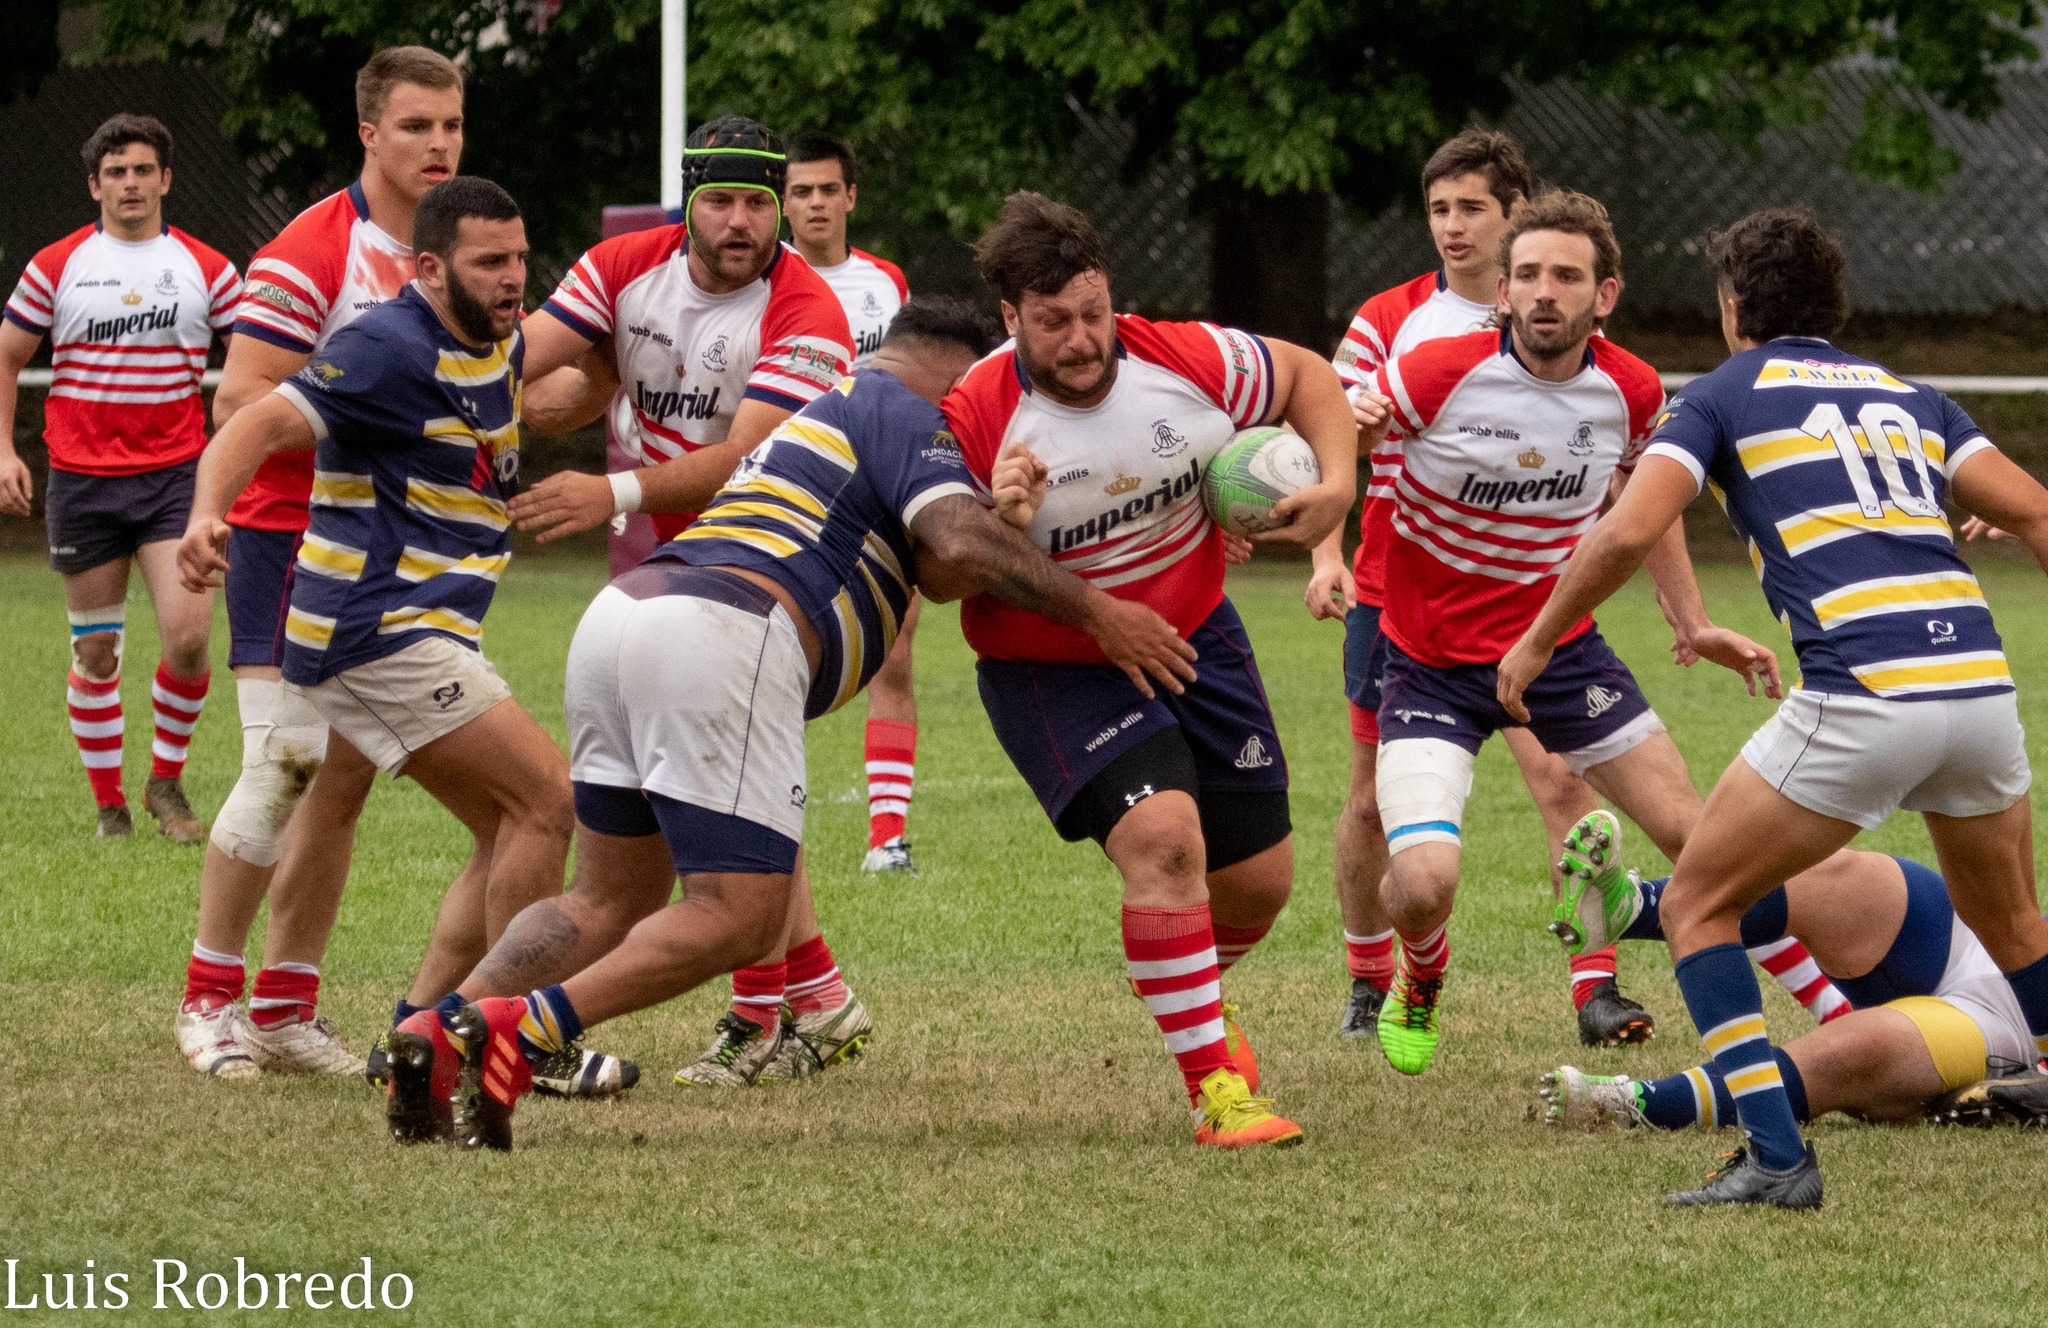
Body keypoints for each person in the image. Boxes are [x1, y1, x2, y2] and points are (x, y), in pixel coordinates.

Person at [379, 298, 1196, 1150]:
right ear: (956, 376)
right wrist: (1098, 611)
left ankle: (441, 1030)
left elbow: (940, 565)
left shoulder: (835, 412)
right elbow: (956, 542)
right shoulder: (906, 407)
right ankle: (525, 1028)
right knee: (739, 916)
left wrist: (1011, 515)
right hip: (724, 633)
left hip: (625, 617)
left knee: (606, 896)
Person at [1499, 204, 2048, 1208]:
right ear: (1832, 305)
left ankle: (1775, 1158)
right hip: (1976, 685)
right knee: (2010, 921)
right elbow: (2033, 508)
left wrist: (1535, 639)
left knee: (1704, 900)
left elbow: (1626, 532)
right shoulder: (1910, 396)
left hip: (1863, 691)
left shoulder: (1721, 393)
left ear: (1731, 308)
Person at [176, 175, 613, 1097]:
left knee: (500, 826)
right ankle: (510, 1040)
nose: (510, 279)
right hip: (377, 631)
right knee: (546, 803)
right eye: (488, 262)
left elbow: (544, 391)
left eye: (519, 259)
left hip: (424, 626)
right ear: (428, 267)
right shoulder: (385, 347)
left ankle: (417, 1036)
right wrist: (206, 515)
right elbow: (251, 421)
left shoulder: (496, 337)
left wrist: (617, 370)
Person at [946, 192, 1357, 1148]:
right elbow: (934, 577)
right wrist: (997, 524)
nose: (1084, 340)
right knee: (1168, 845)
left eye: (1094, 313)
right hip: (1054, 668)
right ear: (1011, 320)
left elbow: (1306, 378)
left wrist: (1334, 485)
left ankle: (1186, 995)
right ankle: (1218, 1088)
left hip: (1195, 637)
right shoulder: (977, 415)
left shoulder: (1182, 357)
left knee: (1257, 883)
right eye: (1054, 324)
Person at [1361, 189, 1798, 1080]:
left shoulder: (1632, 391)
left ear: (1606, 295)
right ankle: (1423, 965)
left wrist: (1693, 620)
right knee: (1422, 885)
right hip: (1429, 663)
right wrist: (1322, 497)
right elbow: (1350, 438)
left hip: (1561, 654)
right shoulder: (1436, 371)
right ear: (1504, 293)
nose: (1543, 292)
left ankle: (1793, 1021)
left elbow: (1647, 509)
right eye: (1526, 275)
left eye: (1566, 275)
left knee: (1704, 840)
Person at [510, 116, 873, 1087]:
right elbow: (524, 363)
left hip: (767, 573)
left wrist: (609, 489)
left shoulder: (806, 309)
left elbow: (743, 462)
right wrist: (482, 392)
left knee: (716, 797)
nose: (743, 220)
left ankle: (764, 1011)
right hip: (661, 585)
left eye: (760, 200)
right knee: (718, 791)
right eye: (721, 199)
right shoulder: (625, 264)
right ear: (687, 204)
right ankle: (812, 996)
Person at [171, 46, 487, 1082]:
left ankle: (283, 1006)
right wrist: (376, 418)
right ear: (368, 132)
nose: (437, 143)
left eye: (449, 124)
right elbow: (241, 398)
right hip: (286, 537)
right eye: (413, 126)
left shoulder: (464, 247)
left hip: (393, 551)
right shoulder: (314, 247)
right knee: (285, 760)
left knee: (341, 782)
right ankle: (207, 998)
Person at [0, 114, 238, 843]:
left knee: (190, 638)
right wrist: (4, 451)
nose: (129, 183)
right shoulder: (55, 265)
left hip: (175, 482)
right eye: (115, 172)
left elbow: (260, 355)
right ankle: (111, 809)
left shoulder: (208, 268)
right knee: (96, 652)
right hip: (83, 483)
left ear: (165, 179)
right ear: (94, 184)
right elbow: (7, 357)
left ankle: (166, 781)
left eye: (142, 170)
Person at [1538, 842, 2046, 1131]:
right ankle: (1632, 907)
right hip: (1993, 935)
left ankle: (1637, 1102)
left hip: (2010, 1024)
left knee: (1854, 1050)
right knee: (1844, 878)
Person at [785, 130, 924, 875]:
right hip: (788, 486)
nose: (813, 204)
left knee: (894, 652)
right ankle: (774, 824)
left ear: (850, 197)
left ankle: (887, 838)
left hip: (876, 480)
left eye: (824, 190)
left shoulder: (885, 283)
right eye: (799, 192)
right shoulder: (765, 284)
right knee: (776, 661)